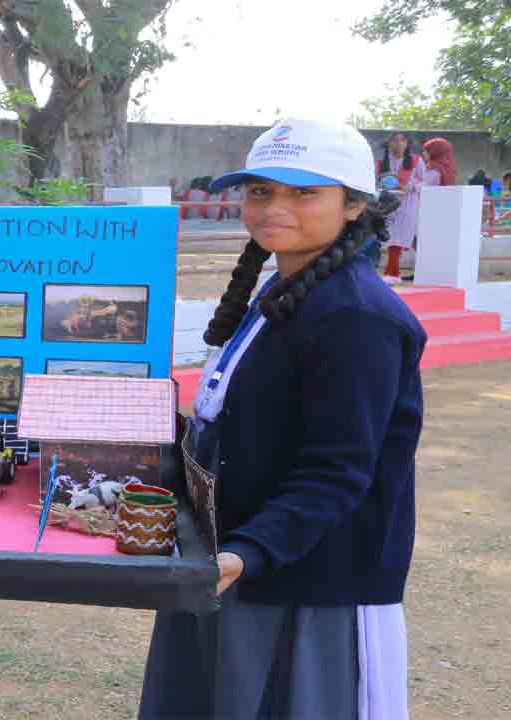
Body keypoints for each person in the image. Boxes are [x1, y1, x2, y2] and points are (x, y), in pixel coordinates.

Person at [140, 119, 425, 719]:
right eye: (260, 191)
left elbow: (339, 471)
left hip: (302, 585)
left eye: (303, 192)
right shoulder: (287, 292)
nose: (275, 207)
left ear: (354, 206)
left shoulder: (357, 317)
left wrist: (247, 552)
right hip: (233, 562)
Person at [378, 132, 423, 284]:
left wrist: (410, 187)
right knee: (393, 237)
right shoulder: (380, 163)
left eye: (402, 140)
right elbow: (375, 182)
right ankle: (392, 273)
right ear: (388, 143)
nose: (398, 144)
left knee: (403, 237)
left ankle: (392, 273)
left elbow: (425, 182)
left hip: (408, 203)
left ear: (407, 143)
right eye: (395, 140)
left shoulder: (416, 161)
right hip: (389, 203)